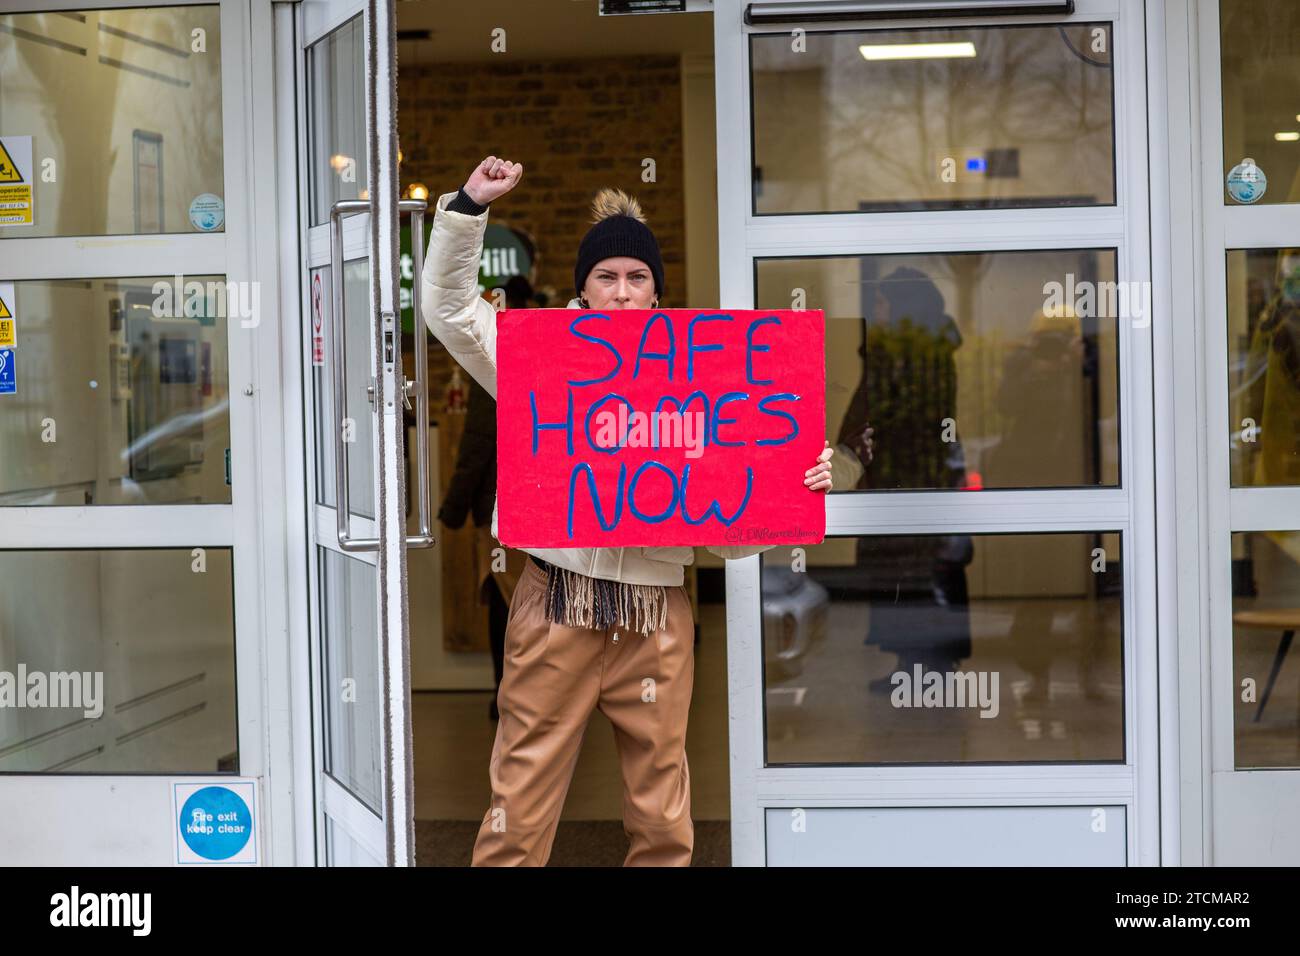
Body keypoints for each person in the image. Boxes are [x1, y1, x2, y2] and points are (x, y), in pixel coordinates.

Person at [420, 155, 836, 867]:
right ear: (583, 284)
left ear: (656, 291)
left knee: (662, 813)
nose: (621, 291)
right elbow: (450, 311)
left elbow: (726, 528)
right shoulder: (537, 355)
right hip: (558, 602)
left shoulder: (697, 372)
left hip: (657, 615)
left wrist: (793, 481)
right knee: (517, 808)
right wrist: (466, 210)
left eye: (637, 278)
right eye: (606, 276)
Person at [436, 275, 535, 721]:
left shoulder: (493, 358)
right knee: (534, 598)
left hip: (502, 507)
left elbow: (478, 440)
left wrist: (453, 507)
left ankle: (507, 692)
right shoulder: (551, 350)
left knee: (504, 597)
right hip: (548, 506)